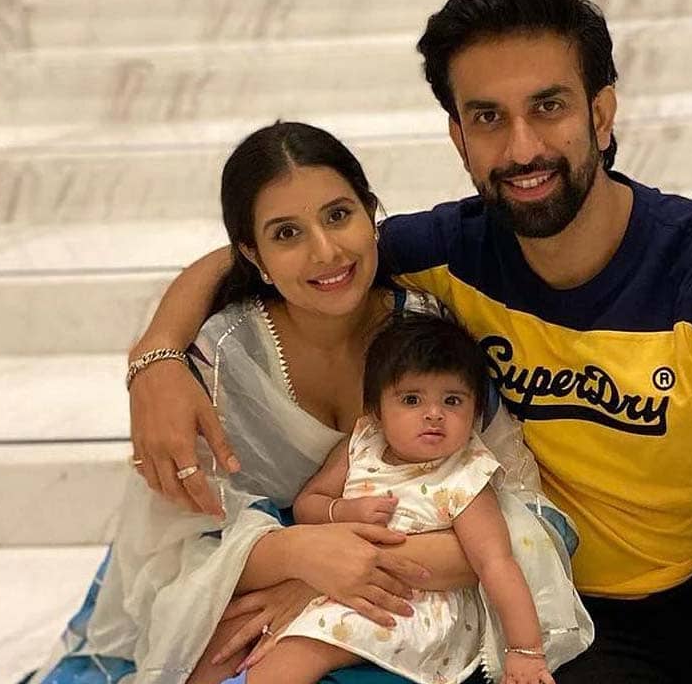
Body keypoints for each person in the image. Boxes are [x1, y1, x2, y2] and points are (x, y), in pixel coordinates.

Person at [128, 0, 692, 683]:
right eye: (488, 117)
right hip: (569, 604)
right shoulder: (450, 250)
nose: (522, 147)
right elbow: (287, 250)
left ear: (602, 115)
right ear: (459, 138)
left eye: (549, 106)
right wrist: (158, 359)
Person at [33, 121, 590, 684]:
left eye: (338, 215)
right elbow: (172, 549)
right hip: (251, 576)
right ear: (253, 255)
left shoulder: (427, 334)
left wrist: (331, 575)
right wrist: (299, 557)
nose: (326, 252)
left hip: (412, 600)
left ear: (371, 212)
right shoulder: (224, 356)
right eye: (286, 234)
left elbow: (525, 518)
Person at [240, 314, 558, 684]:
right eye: (411, 399)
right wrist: (342, 510)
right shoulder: (362, 444)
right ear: (376, 410)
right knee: (235, 628)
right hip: (336, 574)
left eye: (452, 400)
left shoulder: (465, 475)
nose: (434, 414)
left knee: (294, 656)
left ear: (475, 413)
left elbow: (496, 564)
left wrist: (525, 651)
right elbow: (307, 505)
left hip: (411, 603)